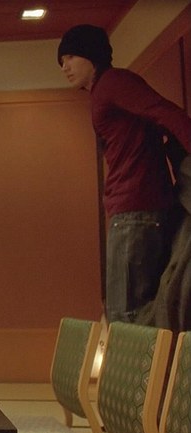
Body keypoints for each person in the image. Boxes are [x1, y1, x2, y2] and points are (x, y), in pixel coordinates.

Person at [58, 24, 191, 327]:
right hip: (136, 208)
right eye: (61, 61)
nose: (64, 67)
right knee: (130, 312)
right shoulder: (105, 90)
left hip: (136, 209)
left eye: (70, 57)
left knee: (126, 315)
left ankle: (142, 361)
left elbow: (167, 113)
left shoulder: (113, 82)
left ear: (91, 55)